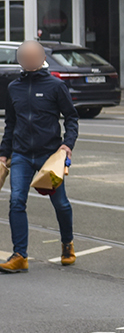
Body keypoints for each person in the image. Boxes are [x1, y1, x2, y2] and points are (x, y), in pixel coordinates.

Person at [0, 41, 79, 273]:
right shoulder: (13, 87)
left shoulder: (56, 86)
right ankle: (19, 256)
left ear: (42, 58)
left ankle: (67, 244)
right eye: (25, 57)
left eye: (34, 56)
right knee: (16, 201)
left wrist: (67, 145)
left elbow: (71, 118)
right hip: (22, 155)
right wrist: (3, 154)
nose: (29, 60)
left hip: (49, 157)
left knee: (60, 203)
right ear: (20, 60)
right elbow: (10, 124)